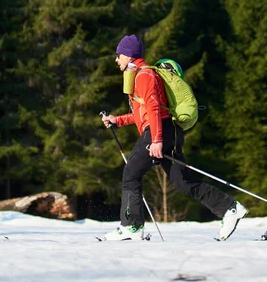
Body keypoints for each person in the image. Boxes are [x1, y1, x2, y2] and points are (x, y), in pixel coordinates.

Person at [101, 34, 247, 241]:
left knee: (131, 174)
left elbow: (153, 108)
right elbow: (142, 113)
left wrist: (156, 140)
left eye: (119, 55)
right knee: (183, 181)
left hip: (157, 131)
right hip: (169, 131)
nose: (116, 60)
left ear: (129, 55)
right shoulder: (141, 76)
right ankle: (229, 207)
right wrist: (119, 120)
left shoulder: (144, 76)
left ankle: (131, 226)